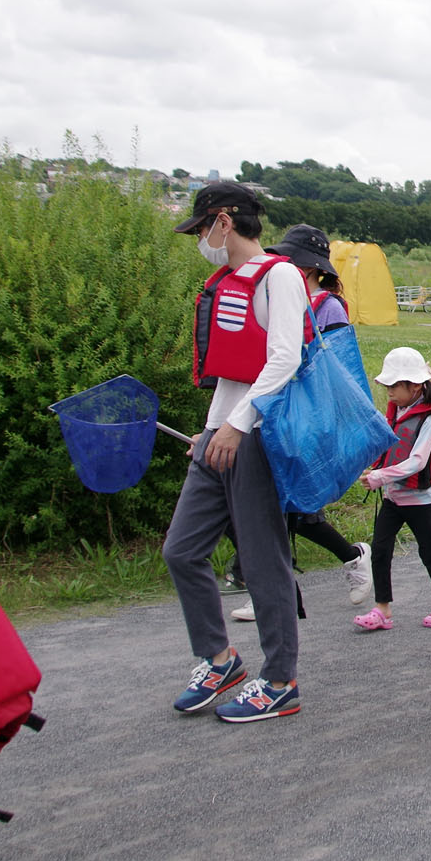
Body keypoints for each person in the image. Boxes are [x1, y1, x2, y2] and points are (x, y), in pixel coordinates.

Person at [161, 182, 310, 723]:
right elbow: (230, 372)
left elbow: (284, 360)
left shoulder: (280, 276)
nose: (200, 238)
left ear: (225, 222)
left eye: (203, 227)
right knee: (181, 550)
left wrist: (237, 426)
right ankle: (220, 659)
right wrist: (209, 430)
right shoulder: (226, 282)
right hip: (220, 435)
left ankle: (279, 681)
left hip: (255, 438)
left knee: (263, 560)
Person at [227, 224, 374, 621]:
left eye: (290, 259)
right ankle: (280, 592)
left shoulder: (329, 307)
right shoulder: (276, 296)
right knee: (271, 507)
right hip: (272, 412)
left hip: (305, 417)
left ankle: (348, 559)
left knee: (295, 508)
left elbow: (337, 369)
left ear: (309, 267)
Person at [353, 348, 431, 632]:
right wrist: (372, 471)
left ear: (414, 387)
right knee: (379, 550)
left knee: (429, 552)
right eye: (387, 385)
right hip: (393, 498)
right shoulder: (397, 412)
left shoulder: (429, 420)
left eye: (393, 385)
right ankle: (382, 610)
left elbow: (417, 462)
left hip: (420, 501)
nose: (388, 390)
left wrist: (380, 476)